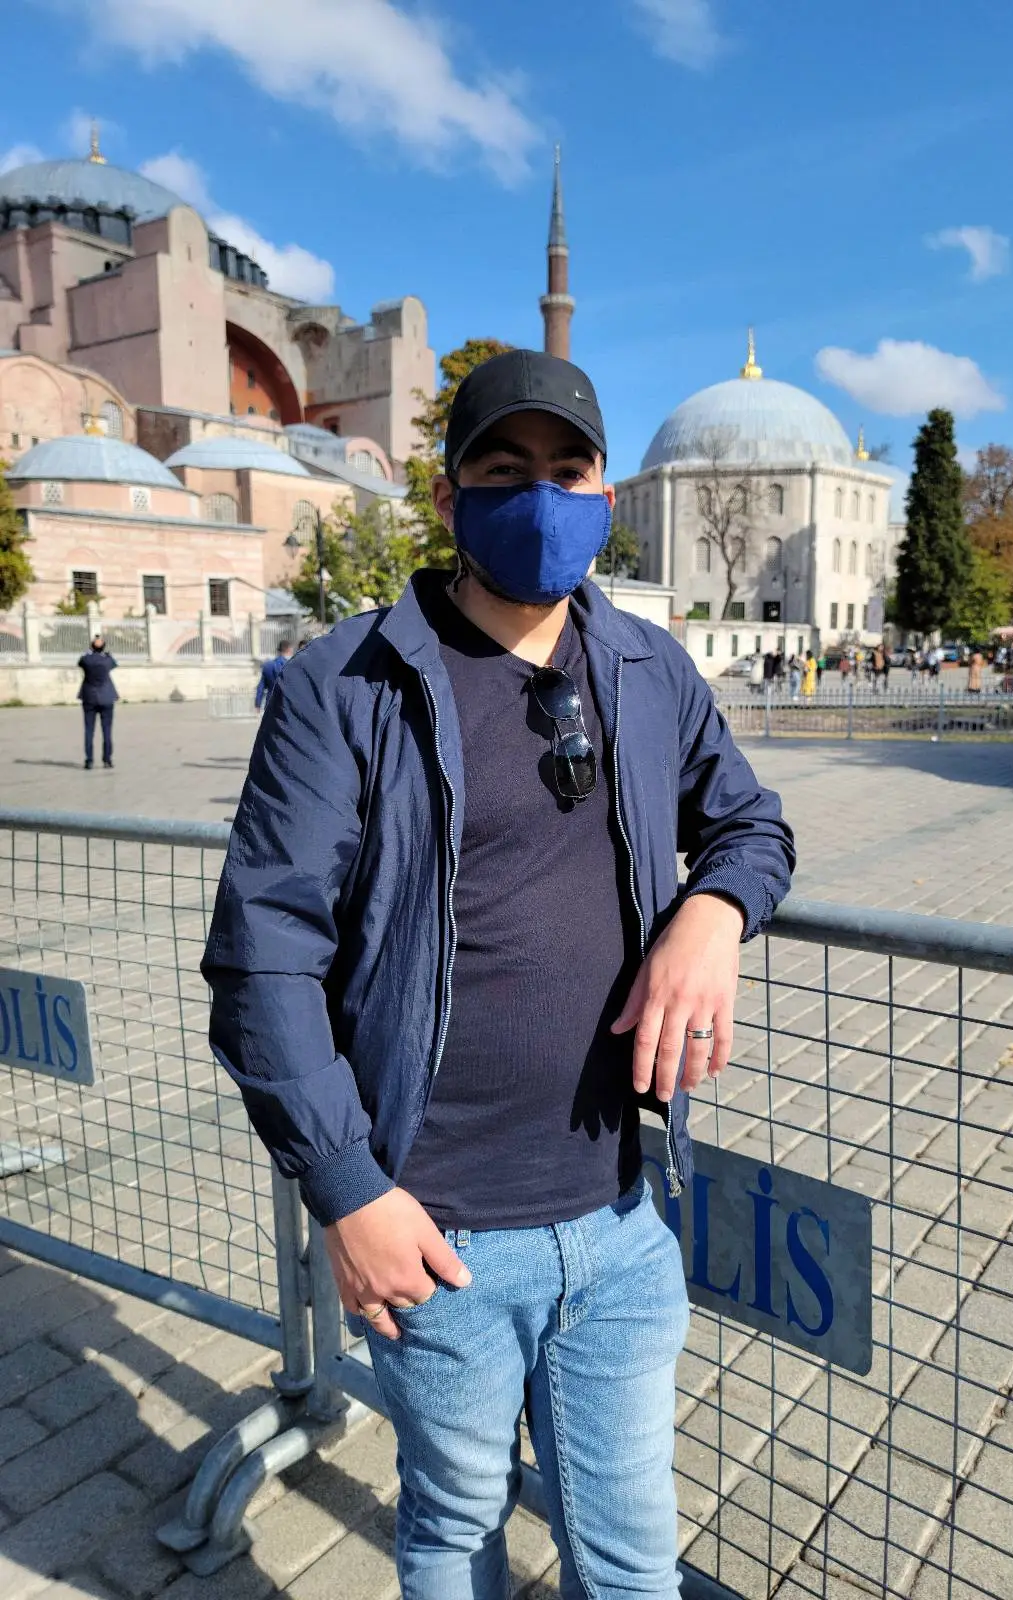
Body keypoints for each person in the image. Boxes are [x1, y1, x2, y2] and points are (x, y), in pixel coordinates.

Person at [202, 349, 796, 1600]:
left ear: (606, 493)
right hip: (438, 1233)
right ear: (449, 493)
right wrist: (347, 1187)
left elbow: (752, 823)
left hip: (623, 1221)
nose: (540, 495)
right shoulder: (345, 685)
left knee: (632, 1557)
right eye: (503, 467)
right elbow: (264, 956)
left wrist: (713, 918)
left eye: (566, 469)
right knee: (454, 1523)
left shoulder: (647, 668)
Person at [77, 635, 118, 769]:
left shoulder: (86, 659)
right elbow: (114, 664)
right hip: (106, 696)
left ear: (91, 647)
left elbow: (80, 662)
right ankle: (107, 760)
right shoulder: (107, 660)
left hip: (89, 697)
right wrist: (105, 654)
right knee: (107, 730)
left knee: (89, 730)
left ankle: (89, 760)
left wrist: (89, 652)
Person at [255, 640, 293, 709]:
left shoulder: (267, 666)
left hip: (270, 705)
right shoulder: (291, 666)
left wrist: (258, 704)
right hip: (286, 707)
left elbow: (261, 687)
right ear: (289, 650)